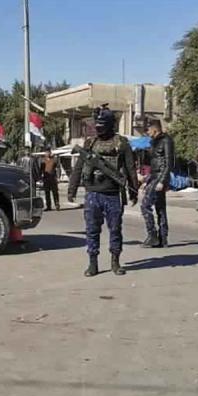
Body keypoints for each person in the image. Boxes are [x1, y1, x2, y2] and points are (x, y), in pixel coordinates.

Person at [68, 105, 139, 277]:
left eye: (102, 125)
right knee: (92, 230)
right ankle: (93, 263)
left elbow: (130, 168)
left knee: (115, 229)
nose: (98, 129)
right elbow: (78, 168)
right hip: (93, 194)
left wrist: (133, 191)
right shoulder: (90, 142)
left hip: (113, 194)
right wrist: (72, 189)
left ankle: (115, 262)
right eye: (97, 125)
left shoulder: (121, 143)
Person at [141, 119, 174, 247]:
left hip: (160, 178)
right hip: (154, 176)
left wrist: (162, 181)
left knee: (145, 205)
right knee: (160, 208)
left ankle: (152, 236)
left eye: (148, 130)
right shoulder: (154, 142)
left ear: (155, 129)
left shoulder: (166, 140)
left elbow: (168, 162)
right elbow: (154, 163)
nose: (147, 133)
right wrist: (147, 178)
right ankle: (163, 238)